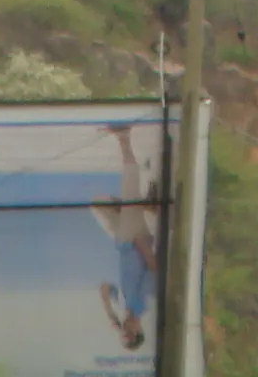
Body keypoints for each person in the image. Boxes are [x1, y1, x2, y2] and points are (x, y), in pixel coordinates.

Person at [92, 122, 161, 351]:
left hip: (122, 242)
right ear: (138, 330)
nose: (126, 329)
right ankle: (124, 138)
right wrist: (143, 245)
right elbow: (154, 269)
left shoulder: (123, 305)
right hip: (135, 240)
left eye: (124, 333)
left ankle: (141, 206)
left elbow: (104, 289)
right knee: (129, 189)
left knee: (98, 204)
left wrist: (112, 316)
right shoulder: (142, 304)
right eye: (130, 333)